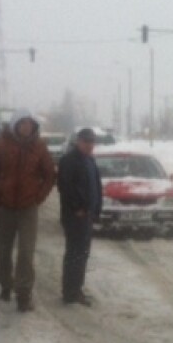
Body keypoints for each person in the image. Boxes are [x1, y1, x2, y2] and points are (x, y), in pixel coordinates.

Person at [0, 111, 56, 312]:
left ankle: (23, 294)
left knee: (26, 252)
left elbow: (49, 175)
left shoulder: (39, 147)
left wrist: (39, 197)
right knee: (4, 250)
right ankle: (5, 285)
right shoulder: (0, 144)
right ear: (15, 125)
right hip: (4, 207)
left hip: (28, 208)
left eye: (29, 124)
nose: (26, 127)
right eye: (22, 124)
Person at [56, 128, 102, 306]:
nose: (89, 145)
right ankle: (69, 292)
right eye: (86, 141)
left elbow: (96, 187)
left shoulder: (90, 160)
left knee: (82, 254)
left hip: (87, 215)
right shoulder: (69, 161)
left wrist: (96, 209)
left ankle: (77, 288)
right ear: (78, 142)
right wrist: (77, 208)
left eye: (92, 142)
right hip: (75, 216)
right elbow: (65, 187)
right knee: (74, 254)